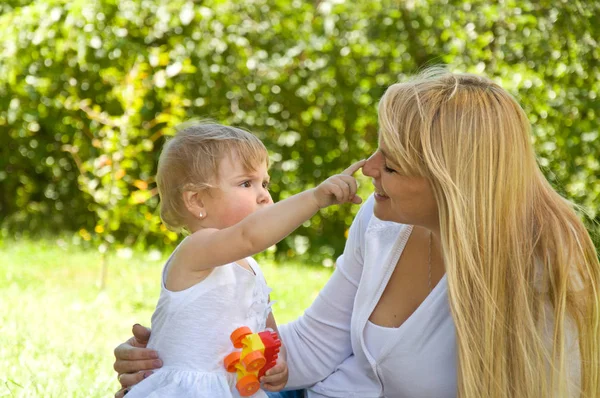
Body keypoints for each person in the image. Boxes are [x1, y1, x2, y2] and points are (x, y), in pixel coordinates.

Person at [114, 69, 600, 397]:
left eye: (390, 163)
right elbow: (317, 344)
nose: (368, 169)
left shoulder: (544, 261)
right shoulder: (382, 219)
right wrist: (191, 352)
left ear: (450, 180)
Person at [119, 122, 365, 398]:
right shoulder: (196, 250)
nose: (264, 195)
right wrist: (315, 198)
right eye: (247, 183)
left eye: (265, 183)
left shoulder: (249, 267)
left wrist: (277, 362)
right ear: (197, 201)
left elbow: (265, 333)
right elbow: (250, 236)